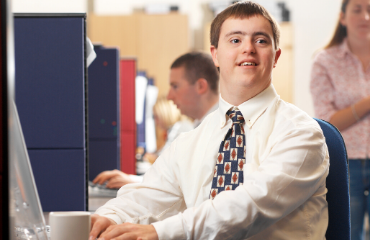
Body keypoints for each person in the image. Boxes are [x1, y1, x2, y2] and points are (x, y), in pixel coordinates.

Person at [90, 2, 329, 239]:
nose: (248, 48)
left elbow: (248, 204)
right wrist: (108, 218)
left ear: (275, 56)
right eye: (235, 40)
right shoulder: (191, 140)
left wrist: (159, 231)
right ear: (215, 55)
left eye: (261, 40)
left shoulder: (301, 132)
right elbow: (147, 196)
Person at [92, 51, 220, 188]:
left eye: (175, 86)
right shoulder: (201, 127)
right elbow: (176, 178)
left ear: (201, 86)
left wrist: (135, 182)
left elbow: (189, 186)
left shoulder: (221, 129)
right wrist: (135, 181)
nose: (170, 96)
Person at [310, 0, 370, 239]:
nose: (365, 17)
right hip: (346, 164)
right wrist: (367, 103)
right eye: (357, 10)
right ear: (343, 17)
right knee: (347, 233)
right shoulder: (324, 61)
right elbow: (327, 124)